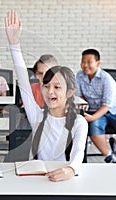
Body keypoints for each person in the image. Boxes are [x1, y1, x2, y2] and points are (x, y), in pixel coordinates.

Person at [5, 9, 88, 182]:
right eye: (47, 86)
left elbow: (78, 151)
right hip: (33, 179)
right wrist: (14, 44)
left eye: (57, 87)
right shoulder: (37, 115)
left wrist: (71, 169)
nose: (50, 92)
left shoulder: (79, 122)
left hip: (63, 179)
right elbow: (22, 79)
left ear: (70, 92)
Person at [75, 48, 116, 169]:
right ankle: (111, 157)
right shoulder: (79, 76)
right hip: (93, 109)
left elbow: (106, 105)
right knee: (94, 129)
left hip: (114, 109)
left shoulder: (107, 79)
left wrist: (93, 117)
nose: (85, 65)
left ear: (98, 63)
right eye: (83, 62)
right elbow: (80, 95)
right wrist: (83, 103)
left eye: (89, 62)